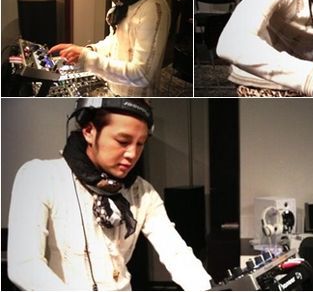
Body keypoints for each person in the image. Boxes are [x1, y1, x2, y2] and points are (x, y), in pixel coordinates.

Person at [7, 98, 211, 291]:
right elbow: (25, 265)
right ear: (89, 131)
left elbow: (176, 253)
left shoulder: (142, 191)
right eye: (123, 141)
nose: (132, 154)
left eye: (140, 143)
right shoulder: (40, 177)